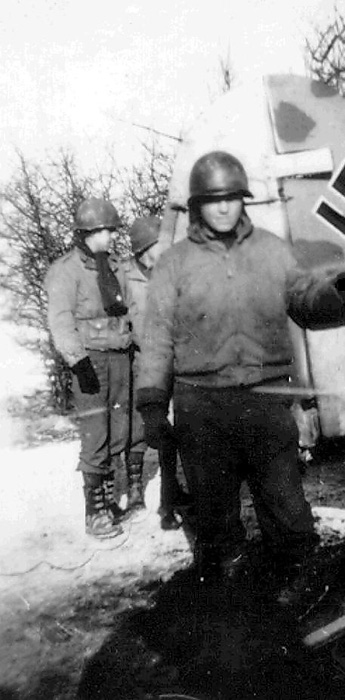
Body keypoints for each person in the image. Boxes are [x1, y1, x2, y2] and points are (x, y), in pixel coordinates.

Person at [135, 150, 345, 598]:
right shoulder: (173, 263)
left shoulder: (273, 251)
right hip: (202, 407)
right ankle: (230, 618)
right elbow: (157, 339)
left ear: (243, 199)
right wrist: (154, 404)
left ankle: (300, 607)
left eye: (232, 197)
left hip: (266, 401)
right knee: (215, 523)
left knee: (288, 513)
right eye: (214, 200)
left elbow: (307, 300)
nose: (224, 207)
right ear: (197, 205)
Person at [45, 197, 133, 539]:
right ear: (89, 233)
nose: (112, 236)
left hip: (119, 356)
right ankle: (94, 513)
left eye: (112, 230)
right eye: (106, 231)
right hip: (91, 362)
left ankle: (108, 501)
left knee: (118, 433)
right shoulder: (65, 270)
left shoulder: (111, 266)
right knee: (96, 434)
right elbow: (60, 320)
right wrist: (78, 362)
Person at [125, 215, 192, 529]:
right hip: (149, 365)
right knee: (161, 436)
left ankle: (173, 496)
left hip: (175, 360)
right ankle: (168, 505)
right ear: (142, 251)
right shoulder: (127, 279)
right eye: (157, 246)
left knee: (186, 432)